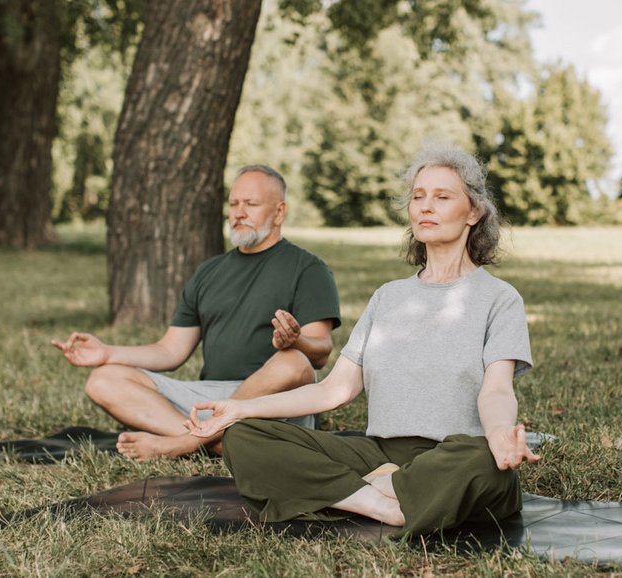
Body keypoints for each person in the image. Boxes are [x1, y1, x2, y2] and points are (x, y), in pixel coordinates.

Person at [186, 146, 539, 535]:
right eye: (418, 197)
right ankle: (380, 503)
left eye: (442, 197)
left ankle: (362, 491)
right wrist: (240, 410)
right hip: (380, 454)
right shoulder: (387, 297)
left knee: (487, 465)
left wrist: (499, 434)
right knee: (245, 437)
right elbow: (333, 391)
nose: (425, 207)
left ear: (473, 212)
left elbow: (497, 391)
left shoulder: (499, 299)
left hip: (453, 454)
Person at [49, 165, 341, 460]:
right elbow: (170, 351)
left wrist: (297, 340)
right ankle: (216, 444)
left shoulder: (308, 269)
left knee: (294, 362)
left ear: (279, 212)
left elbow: (319, 354)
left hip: (272, 402)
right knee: (103, 379)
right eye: (233, 204)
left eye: (251, 204)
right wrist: (107, 353)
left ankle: (183, 444)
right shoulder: (210, 272)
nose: (239, 213)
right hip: (210, 401)